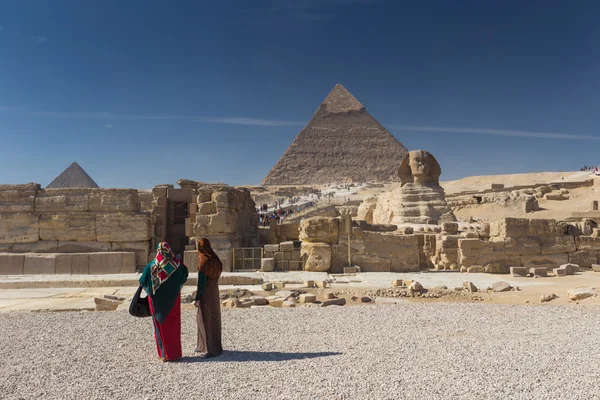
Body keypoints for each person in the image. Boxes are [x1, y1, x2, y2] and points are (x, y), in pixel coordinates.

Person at [139, 242, 188, 362]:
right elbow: (184, 275)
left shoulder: (151, 266)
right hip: (173, 301)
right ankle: (174, 354)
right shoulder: (177, 265)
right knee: (173, 327)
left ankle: (163, 355)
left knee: (159, 327)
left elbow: (142, 281)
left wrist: (151, 290)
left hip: (156, 303)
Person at [194, 238, 223, 358]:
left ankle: (208, 348)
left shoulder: (204, 261)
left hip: (206, 293)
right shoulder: (215, 259)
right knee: (214, 319)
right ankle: (214, 346)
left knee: (204, 318)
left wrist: (197, 297)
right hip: (214, 291)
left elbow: (201, 282)